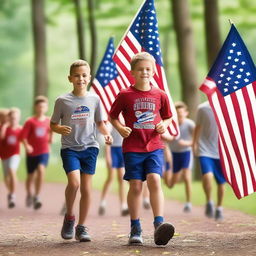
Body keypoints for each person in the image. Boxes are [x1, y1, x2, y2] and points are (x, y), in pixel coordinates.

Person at [109, 52, 175, 246]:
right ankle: (135, 227)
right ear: (132, 72)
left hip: (154, 146)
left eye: (148, 69)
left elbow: (168, 116)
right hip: (133, 147)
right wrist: (120, 128)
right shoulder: (125, 95)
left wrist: (165, 124)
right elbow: (113, 116)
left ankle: (159, 225)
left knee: (154, 179)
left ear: (153, 72)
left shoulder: (160, 94)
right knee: (136, 186)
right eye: (140, 69)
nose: (144, 72)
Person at [50, 59, 113, 242]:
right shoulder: (62, 100)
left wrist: (107, 134)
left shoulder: (94, 99)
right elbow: (53, 124)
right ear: (70, 78)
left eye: (84, 75)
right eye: (77, 75)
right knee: (74, 183)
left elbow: (100, 123)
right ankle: (70, 217)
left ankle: (82, 227)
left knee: (86, 188)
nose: (81, 78)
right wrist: (59, 129)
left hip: (90, 148)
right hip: (70, 148)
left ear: (89, 77)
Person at [193, 101, 226, 221]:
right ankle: (209, 201)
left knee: (221, 182)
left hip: (221, 152)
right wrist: (194, 144)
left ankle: (219, 208)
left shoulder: (227, 106)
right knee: (207, 176)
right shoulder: (202, 108)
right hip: (205, 149)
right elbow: (197, 127)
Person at [163, 102, 195, 213]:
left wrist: (186, 143)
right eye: (177, 113)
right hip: (172, 154)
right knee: (170, 184)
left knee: (187, 176)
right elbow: (163, 139)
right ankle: (172, 173)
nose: (180, 114)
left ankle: (188, 203)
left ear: (186, 113)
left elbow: (196, 141)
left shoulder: (190, 124)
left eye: (181, 112)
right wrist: (166, 149)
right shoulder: (171, 124)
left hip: (186, 153)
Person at [22, 96, 52, 210]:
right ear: (35, 107)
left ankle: (37, 196)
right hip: (32, 153)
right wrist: (27, 146)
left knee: (41, 170)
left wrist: (50, 139)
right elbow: (24, 137)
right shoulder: (30, 121)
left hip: (44, 151)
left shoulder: (48, 121)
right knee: (30, 176)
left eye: (43, 106)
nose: (41, 108)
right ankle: (29, 194)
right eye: (39, 106)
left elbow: (51, 131)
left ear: (46, 108)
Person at [98, 125, 129, 216]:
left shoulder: (125, 117)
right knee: (110, 177)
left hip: (122, 149)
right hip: (112, 149)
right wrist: (108, 155)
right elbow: (107, 135)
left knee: (121, 178)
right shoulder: (112, 119)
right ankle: (102, 202)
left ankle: (123, 206)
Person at [0, 108, 22, 208]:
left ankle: (13, 195)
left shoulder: (18, 128)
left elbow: (24, 138)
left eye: (5, 117)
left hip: (15, 154)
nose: (4, 119)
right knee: (6, 178)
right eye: (2, 117)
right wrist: (4, 127)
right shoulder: (3, 128)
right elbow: (2, 137)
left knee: (11, 170)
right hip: (4, 155)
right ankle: (10, 192)